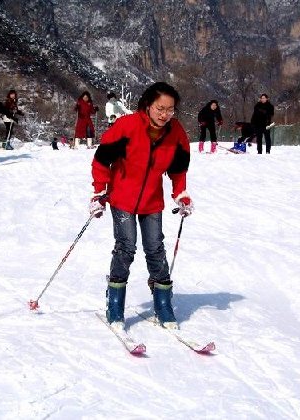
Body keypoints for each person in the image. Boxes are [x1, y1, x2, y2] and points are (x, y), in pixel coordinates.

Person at [90, 81, 193, 330]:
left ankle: (163, 305)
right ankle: (115, 304)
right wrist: (99, 191)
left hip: (151, 200)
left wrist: (181, 194)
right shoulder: (127, 126)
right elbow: (102, 159)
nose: (165, 114)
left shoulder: (176, 133)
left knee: (156, 249)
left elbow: (178, 170)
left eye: (170, 110)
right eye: (160, 108)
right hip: (122, 197)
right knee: (126, 248)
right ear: (148, 104)